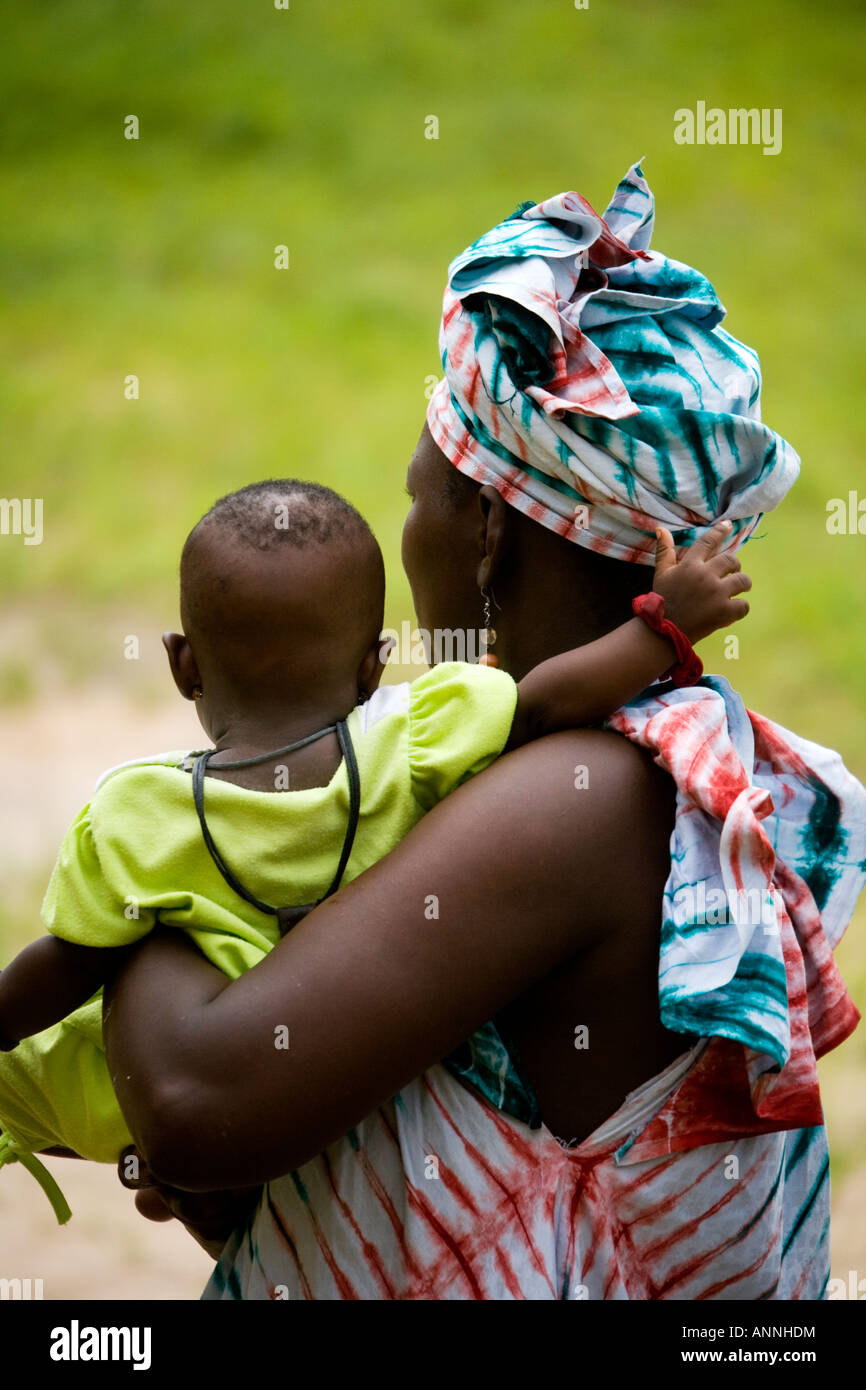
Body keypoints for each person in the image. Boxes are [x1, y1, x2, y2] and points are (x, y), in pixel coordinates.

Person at [98, 163, 865, 1300]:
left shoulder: (575, 800)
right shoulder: (626, 762)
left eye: (416, 498)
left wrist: (163, 840)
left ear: (492, 535)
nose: (405, 538)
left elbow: (196, 1101)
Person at [0, 473, 742, 1203]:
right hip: (344, 1087)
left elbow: (67, 966)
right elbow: (547, 703)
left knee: (34, 1079)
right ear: (373, 664)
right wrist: (660, 626)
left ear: (183, 663)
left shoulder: (137, 811)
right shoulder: (418, 741)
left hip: (152, 1102)